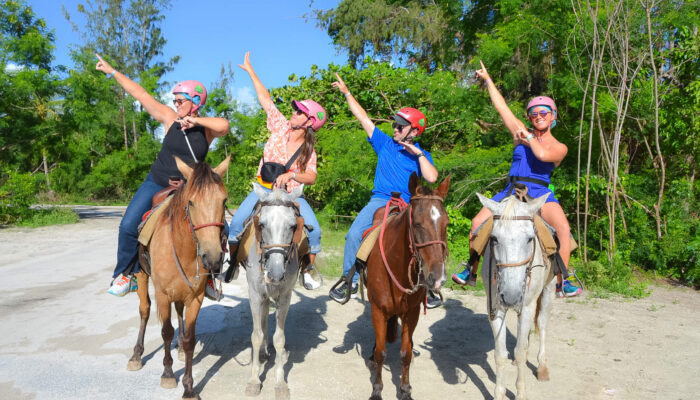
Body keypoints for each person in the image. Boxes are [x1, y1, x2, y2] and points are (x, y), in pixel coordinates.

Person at [96, 54, 230, 299]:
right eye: (175, 100)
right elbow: (141, 95)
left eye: (180, 100)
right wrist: (112, 72)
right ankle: (128, 274)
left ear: (195, 101)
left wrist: (195, 120)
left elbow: (224, 125)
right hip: (156, 182)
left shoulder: (206, 130)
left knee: (222, 228)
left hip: (190, 189)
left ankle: (210, 278)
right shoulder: (170, 118)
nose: (176, 103)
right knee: (128, 225)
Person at [451, 61, 582, 298]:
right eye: (534, 113)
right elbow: (502, 108)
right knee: (476, 222)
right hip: (511, 189)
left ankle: (564, 280)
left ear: (553, 116)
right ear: (530, 117)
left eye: (544, 112)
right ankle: (471, 270)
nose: (539, 116)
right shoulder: (521, 132)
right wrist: (488, 79)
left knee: (563, 227)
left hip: (540, 193)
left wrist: (526, 137)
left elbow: (541, 155)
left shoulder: (558, 146)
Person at [328, 73, 441, 305]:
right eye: (395, 124)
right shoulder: (384, 143)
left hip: (409, 205)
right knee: (353, 235)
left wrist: (417, 153)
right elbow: (363, 117)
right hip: (380, 200)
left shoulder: (422, 155)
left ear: (415, 131)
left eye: (400, 126)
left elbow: (431, 177)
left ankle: (429, 288)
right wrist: (347, 92)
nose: (395, 128)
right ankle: (349, 280)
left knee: (426, 240)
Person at [225, 52, 325, 290]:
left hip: (292, 196)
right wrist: (251, 71)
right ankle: (232, 265)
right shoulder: (280, 127)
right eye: (296, 110)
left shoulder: (308, 151)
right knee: (236, 225)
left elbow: (311, 177)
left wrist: (292, 175)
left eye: (300, 112)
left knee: (315, 232)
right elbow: (265, 99)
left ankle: (308, 269)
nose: (294, 112)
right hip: (263, 190)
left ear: (310, 122)